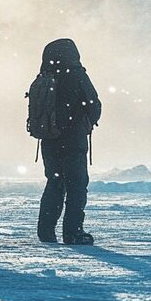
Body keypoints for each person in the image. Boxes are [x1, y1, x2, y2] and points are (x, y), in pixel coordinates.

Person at [28, 39, 101, 245]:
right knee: (76, 186)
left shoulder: (45, 76)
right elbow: (94, 105)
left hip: (49, 140)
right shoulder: (77, 75)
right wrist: (86, 121)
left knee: (54, 182)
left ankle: (46, 231)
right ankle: (73, 232)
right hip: (73, 140)